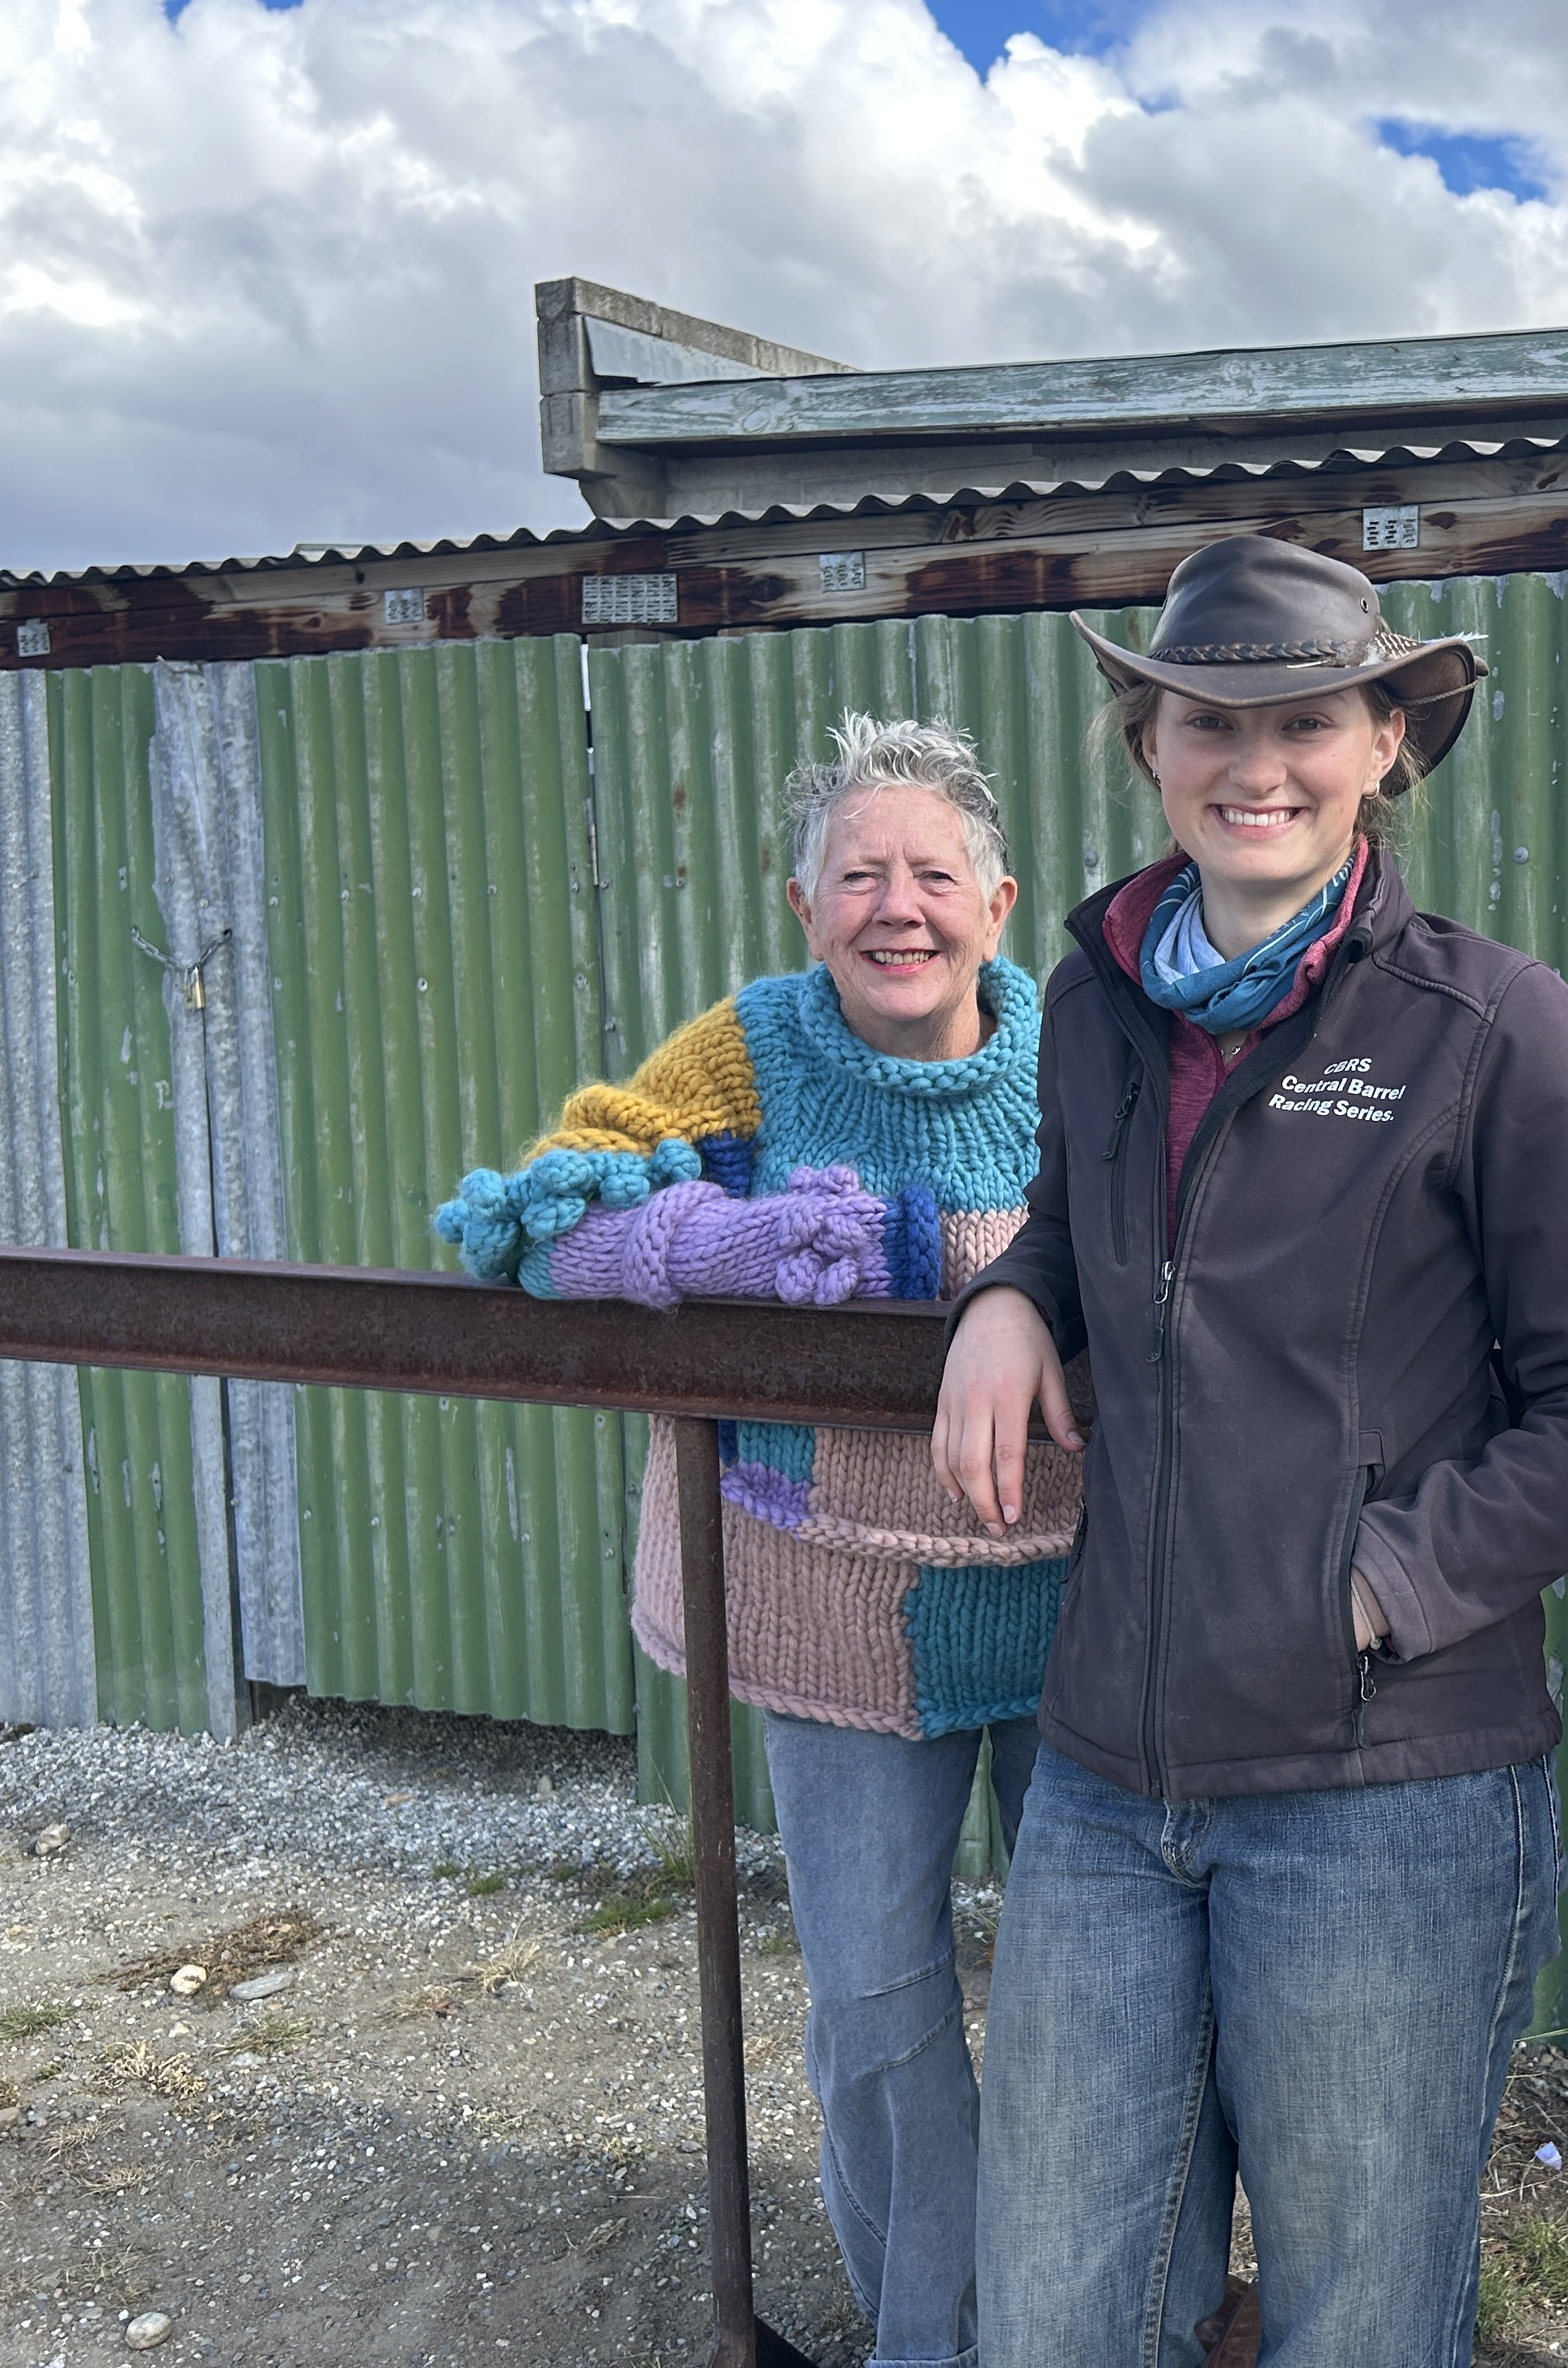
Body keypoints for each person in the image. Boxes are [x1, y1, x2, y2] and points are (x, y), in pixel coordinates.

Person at [931, 533, 1568, 2368]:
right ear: (1149, 743)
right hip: (1112, 1770)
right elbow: (1080, 1222)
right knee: (1050, 2316)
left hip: (1383, 1791)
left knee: (1357, 2325)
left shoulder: (1490, 1027)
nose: (1255, 757)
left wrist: (1380, 1583)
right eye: (1211, 715)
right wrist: (1015, 1298)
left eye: (1307, 718)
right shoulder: (1094, 999)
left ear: (1382, 750)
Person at [434, 715, 1074, 2368]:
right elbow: (552, 1225)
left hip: (1082, 1602)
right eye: (858, 873)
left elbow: (1179, 1244)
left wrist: (915, 1248)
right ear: (804, 908)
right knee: (878, 2012)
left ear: (999, 902)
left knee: (1103, 2013)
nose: (898, 905)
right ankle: (931, 2340)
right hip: (830, 1608)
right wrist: (753, 1240)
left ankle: (1081, 2326)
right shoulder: (744, 1053)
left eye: (934, 872)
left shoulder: (1085, 1058)